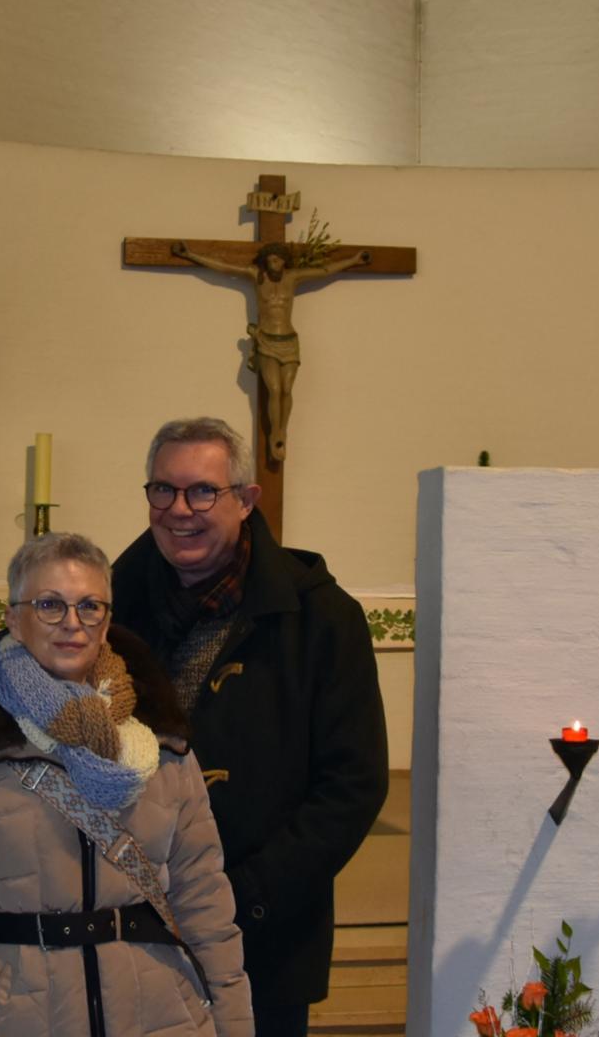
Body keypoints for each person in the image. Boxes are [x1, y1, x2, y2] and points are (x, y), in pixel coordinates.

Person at [110, 418, 387, 1037]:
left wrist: (243, 897)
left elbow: (353, 785)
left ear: (246, 500)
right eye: (163, 490)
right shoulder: (109, 606)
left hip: (266, 931)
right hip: (128, 926)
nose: (180, 510)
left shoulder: (320, 617)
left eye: (202, 491)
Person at [0, 532, 253, 1037]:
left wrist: (234, 1024)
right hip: (15, 1019)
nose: (72, 624)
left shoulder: (160, 742)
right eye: (49, 605)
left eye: (90, 607)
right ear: (14, 619)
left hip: (157, 1015)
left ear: (107, 624)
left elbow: (202, 895)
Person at [168, 240, 370, 460]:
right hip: (266, 341)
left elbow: (324, 271)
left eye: (279, 259)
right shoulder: (256, 276)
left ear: (284, 261)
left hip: (289, 340)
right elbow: (224, 267)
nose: (275, 263)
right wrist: (191, 254)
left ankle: (283, 430)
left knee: (287, 390)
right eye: (271, 259)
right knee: (274, 390)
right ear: (265, 261)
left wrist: (353, 260)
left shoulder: (292, 278)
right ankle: (276, 433)